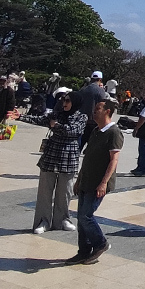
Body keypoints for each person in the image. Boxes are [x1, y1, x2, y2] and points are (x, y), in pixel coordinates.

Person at [66, 99, 123, 265]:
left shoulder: (114, 132)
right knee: (81, 218)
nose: (94, 111)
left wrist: (104, 182)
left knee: (86, 216)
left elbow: (114, 160)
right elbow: (88, 157)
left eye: (98, 108)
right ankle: (84, 251)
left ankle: (100, 243)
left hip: (98, 182)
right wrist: (79, 179)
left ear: (107, 111)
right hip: (86, 180)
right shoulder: (95, 131)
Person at [23, 90, 86, 233]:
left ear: (75, 102)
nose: (64, 103)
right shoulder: (56, 115)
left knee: (65, 191)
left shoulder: (81, 117)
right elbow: (39, 120)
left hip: (68, 157)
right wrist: (20, 116)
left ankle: (63, 219)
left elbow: (73, 131)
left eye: (68, 100)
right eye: (63, 100)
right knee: (45, 191)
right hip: (51, 155)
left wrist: (55, 126)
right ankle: (43, 221)